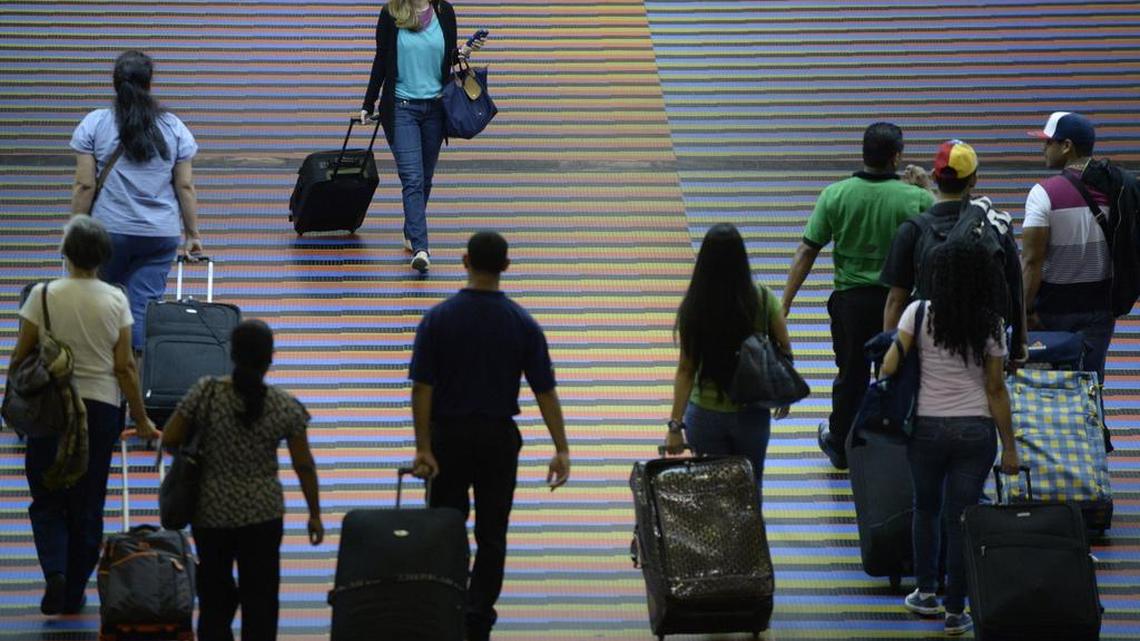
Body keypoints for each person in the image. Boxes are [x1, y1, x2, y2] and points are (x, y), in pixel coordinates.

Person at [409, 231, 570, 641]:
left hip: (447, 436)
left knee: (447, 522)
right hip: (498, 439)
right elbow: (544, 390)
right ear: (507, 267)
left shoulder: (438, 319)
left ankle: (448, 601)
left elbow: (422, 388)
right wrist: (561, 448)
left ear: (464, 261)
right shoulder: (522, 323)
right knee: (492, 533)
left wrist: (423, 447)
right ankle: (478, 616)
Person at [7, 216, 159, 615]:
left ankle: (54, 571)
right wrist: (141, 419)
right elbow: (125, 366)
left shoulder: (40, 296)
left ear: (66, 253)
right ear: (103, 258)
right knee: (88, 502)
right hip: (100, 409)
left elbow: (20, 356)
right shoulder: (116, 300)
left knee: (46, 496)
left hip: (50, 408)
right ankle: (74, 588)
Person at [882, 239, 1019, 636]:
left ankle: (925, 592)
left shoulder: (917, 312)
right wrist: (1009, 447)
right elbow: (996, 389)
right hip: (975, 432)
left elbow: (889, 368)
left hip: (925, 429)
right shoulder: (991, 323)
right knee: (962, 518)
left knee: (925, 508)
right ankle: (956, 612)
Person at [781, 122, 935, 469]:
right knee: (894, 371)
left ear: (863, 153)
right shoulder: (918, 198)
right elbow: (942, 233)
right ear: (897, 156)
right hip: (899, 304)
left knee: (850, 373)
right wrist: (926, 189)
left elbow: (807, 250)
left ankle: (840, 444)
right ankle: (891, 444)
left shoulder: (835, 194)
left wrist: (786, 302)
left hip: (850, 303)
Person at [160, 320, 323, 641]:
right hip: (262, 516)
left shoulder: (205, 392)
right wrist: (314, 514)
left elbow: (170, 436)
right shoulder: (284, 406)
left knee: (213, 600)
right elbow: (303, 464)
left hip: (210, 513)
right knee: (261, 600)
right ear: (270, 359)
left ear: (232, 354)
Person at [69, 50, 202, 351]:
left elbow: (84, 185)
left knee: (98, 303)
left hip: (107, 233)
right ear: (149, 84)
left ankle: (100, 384)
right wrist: (192, 234)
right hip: (159, 234)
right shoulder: (173, 127)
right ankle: (137, 385)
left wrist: (75, 231)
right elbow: (185, 185)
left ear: (115, 83)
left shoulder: (95, 123)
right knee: (142, 308)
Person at [664, 223, 793, 505]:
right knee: (749, 486)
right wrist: (783, 391)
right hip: (752, 412)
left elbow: (686, 370)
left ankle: (718, 547)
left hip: (705, 416)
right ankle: (749, 546)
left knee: (711, 492)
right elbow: (784, 344)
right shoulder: (762, 298)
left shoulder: (695, 306)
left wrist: (675, 427)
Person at [359, 0, 486, 274]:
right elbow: (381, 60)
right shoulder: (390, 14)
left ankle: (411, 229)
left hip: (436, 109)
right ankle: (421, 248)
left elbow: (448, 57)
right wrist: (368, 104)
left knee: (425, 177)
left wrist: (464, 50)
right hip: (402, 108)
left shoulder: (444, 12)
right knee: (412, 177)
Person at [880, 140, 1028, 362]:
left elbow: (896, 300)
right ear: (974, 179)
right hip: (984, 344)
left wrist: (889, 355)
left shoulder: (913, 229)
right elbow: (1015, 288)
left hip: (929, 345)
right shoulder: (995, 224)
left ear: (933, 175)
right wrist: (1019, 343)